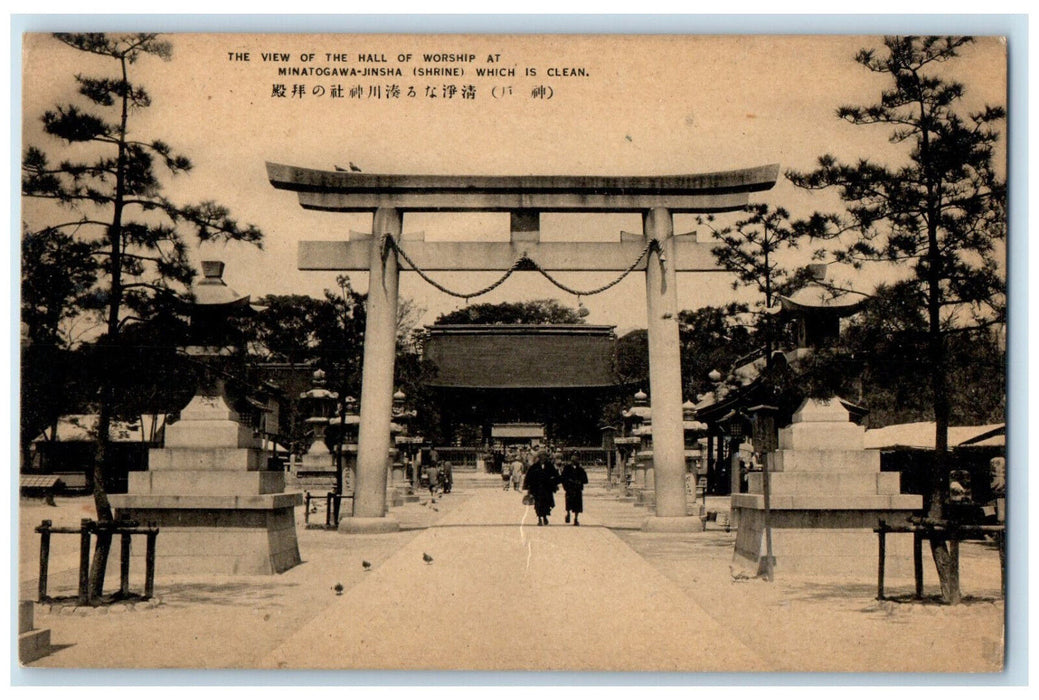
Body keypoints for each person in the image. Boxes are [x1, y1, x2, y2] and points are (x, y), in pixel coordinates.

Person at [523, 449, 560, 526]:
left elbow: (556, 476)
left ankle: (545, 517)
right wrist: (527, 487)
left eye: (545, 456)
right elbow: (529, 477)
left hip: (547, 488)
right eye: (542, 456)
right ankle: (539, 518)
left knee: (547, 503)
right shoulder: (534, 467)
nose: (543, 458)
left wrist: (554, 483)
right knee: (538, 504)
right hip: (537, 489)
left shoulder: (550, 466)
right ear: (539, 457)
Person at [561, 453, 589, 525]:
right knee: (568, 503)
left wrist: (580, 482)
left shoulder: (580, 469)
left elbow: (585, 480)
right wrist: (566, 486)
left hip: (577, 489)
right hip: (569, 488)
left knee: (577, 505)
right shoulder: (567, 468)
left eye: (576, 459)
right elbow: (563, 478)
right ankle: (568, 513)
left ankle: (576, 518)